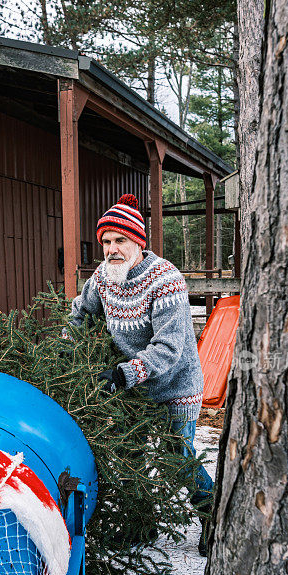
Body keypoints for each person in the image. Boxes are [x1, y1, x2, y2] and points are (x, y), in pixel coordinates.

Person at [70, 193, 213, 555]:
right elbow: (80, 317)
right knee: (129, 456)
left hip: (173, 385)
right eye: (106, 241)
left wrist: (123, 373)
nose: (112, 249)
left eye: (120, 240)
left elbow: (169, 348)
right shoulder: (102, 278)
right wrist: (66, 350)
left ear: (138, 243)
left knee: (176, 457)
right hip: (133, 386)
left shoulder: (165, 280)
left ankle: (213, 515)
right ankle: (142, 524)